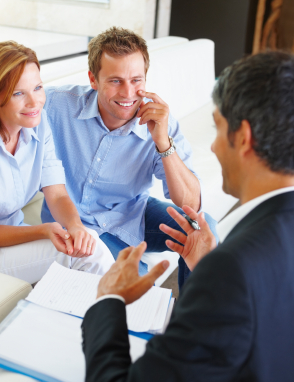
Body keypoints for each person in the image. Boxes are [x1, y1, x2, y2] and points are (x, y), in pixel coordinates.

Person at [82, 51, 294, 382]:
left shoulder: (231, 268)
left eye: (218, 128)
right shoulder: (241, 256)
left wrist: (107, 301)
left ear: (243, 138)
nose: (212, 148)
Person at [41, 26, 218, 288]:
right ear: (93, 79)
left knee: (205, 230)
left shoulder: (161, 124)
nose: (127, 93)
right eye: (115, 81)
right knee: (130, 287)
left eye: (136, 80)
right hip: (76, 224)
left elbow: (191, 203)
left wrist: (162, 142)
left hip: (131, 213)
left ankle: (195, 321)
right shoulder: (55, 105)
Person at [0, 41, 114, 284]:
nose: (34, 102)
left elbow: (57, 194)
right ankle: (120, 317)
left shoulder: (39, 126)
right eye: (18, 93)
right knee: (88, 255)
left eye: (38, 87)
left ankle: (104, 317)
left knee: (86, 240)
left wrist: (75, 226)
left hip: (15, 239)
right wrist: (43, 230)